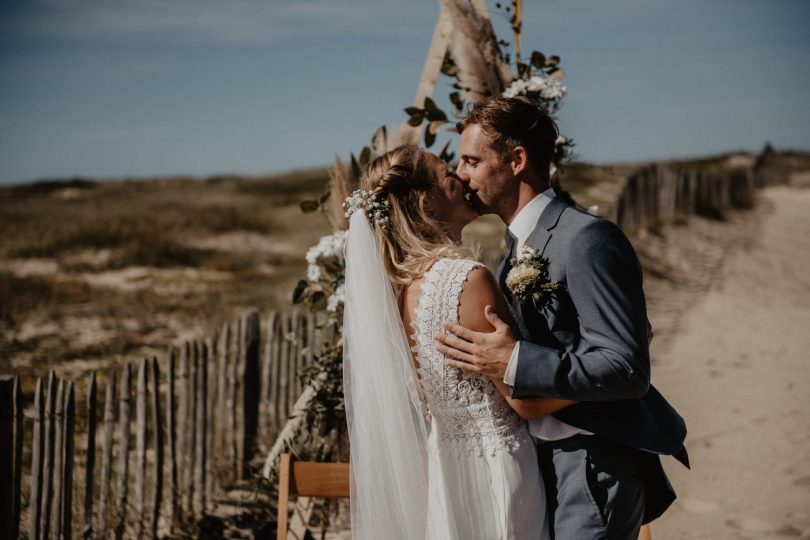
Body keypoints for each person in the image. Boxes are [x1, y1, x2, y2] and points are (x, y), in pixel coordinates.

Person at [434, 96, 689, 539]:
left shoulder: (586, 238)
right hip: (543, 463)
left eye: (473, 161)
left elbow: (627, 368)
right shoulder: (513, 251)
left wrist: (514, 362)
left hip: (593, 462)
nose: (461, 174)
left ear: (516, 160)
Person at [343, 144, 571, 539]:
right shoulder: (467, 279)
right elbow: (526, 401)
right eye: (448, 174)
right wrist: (608, 375)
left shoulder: (397, 290)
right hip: (498, 467)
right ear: (426, 201)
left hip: (448, 469)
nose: (462, 179)